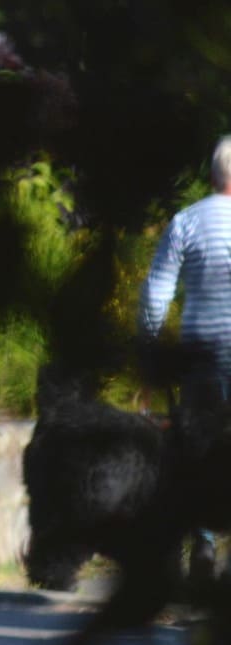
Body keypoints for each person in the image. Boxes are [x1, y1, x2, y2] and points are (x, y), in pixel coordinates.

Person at [139, 134, 231, 580]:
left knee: (199, 447)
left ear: (212, 175)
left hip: (199, 355)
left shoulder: (186, 222)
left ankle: (204, 543)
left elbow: (157, 293)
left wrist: (151, 346)